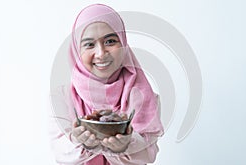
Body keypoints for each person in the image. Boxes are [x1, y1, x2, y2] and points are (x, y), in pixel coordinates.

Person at [50, 4, 164, 165]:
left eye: (110, 41)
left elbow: (148, 154)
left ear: (123, 43)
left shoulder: (143, 96)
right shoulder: (61, 97)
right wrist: (82, 142)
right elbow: (61, 153)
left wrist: (125, 145)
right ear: (76, 49)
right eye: (89, 44)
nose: (101, 54)